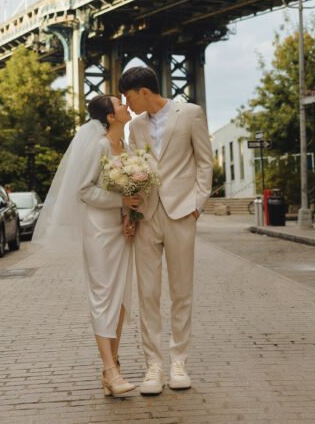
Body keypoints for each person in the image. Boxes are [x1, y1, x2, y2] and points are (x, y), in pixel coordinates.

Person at [33, 94, 141, 397]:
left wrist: (129, 215)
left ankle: (112, 368)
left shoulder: (127, 148)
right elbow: (84, 190)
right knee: (103, 297)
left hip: (121, 231)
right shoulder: (99, 147)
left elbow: (130, 191)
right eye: (119, 104)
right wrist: (121, 201)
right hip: (99, 231)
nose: (125, 106)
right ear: (110, 117)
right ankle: (110, 371)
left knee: (120, 298)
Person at [119, 66, 213, 396]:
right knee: (147, 294)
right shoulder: (134, 127)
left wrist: (197, 204)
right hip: (146, 215)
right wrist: (129, 212)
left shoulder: (190, 114)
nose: (127, 105)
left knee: (181, 291)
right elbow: (132, 170)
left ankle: (179, 363)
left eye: (129, 97)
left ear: (144, 91)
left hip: (181, 213)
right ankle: (154, 366)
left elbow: (204, 161)